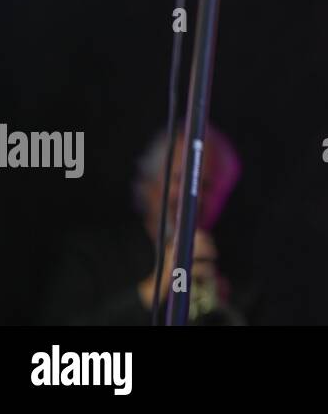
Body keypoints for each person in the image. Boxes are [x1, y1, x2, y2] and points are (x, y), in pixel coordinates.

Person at [40, 126, 245, 325]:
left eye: (207, 187)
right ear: (148, 183)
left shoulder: (234, 279)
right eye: (179, 180)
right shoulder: (92, 255)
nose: (195, 198)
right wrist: (152, 291)